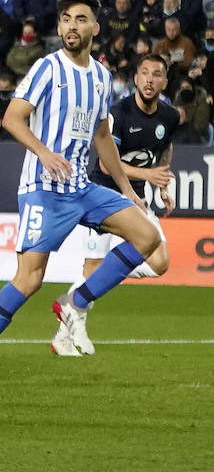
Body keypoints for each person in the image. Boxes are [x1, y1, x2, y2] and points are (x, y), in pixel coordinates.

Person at [0, 0, 162, 389]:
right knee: (29, 279)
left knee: (147, 235)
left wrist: (126, 189)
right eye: (65, 19)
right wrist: (43, 152)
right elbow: (12, 117)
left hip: (82, 186)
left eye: (80, 19)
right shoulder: (48, 68)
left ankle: (75, 303)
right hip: (44, 188)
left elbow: (102, 136)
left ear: (95, 28)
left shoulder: (100, 76)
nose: (71, 26)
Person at [51, 54, 176, 356]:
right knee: (92, 268)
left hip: (137, 198)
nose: (149, 79)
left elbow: (165, 146)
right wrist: (148, 174)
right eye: (143, 73)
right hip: (102, 194)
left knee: (160, 262)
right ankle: (63, 336)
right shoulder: (119, 114)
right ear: (135, 78)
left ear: (164, 82)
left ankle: (107, 274)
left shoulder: (170, 117)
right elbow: (109, 165)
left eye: (156, 74)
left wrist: (162, 182)